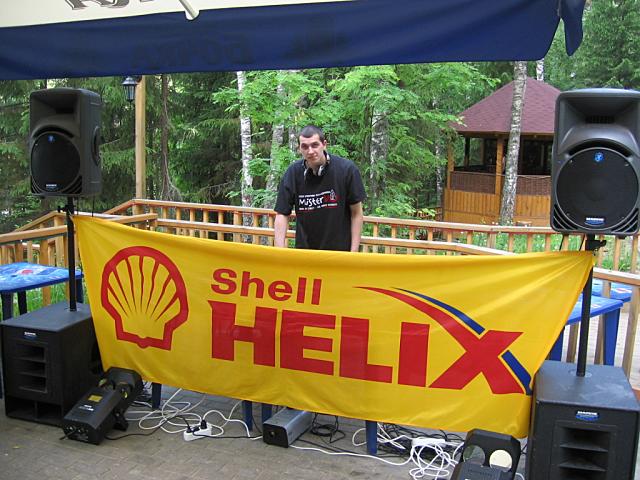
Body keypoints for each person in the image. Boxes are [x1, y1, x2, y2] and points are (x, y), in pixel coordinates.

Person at [274, 125, 365, 251]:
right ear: (299, 149)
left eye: (315, 145)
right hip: (305, 254)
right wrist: (279, 252)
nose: (310, 151)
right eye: (305, 147)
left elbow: (356, 213)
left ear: (324, 144)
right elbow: (282, 214)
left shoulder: (347, 170)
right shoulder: (293, 173)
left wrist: (353, 253)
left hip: (339, 255)